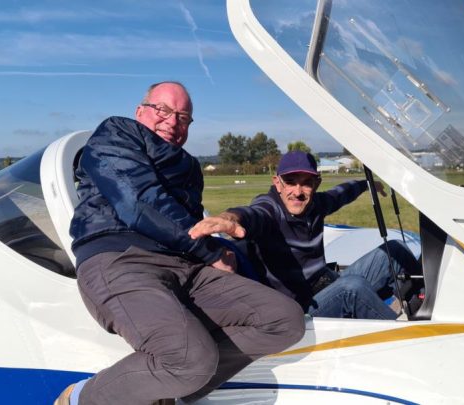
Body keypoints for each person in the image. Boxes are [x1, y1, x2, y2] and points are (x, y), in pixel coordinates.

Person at [55, 82, 305, 405]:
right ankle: (79, 398)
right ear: (140, 111)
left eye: (183, 117)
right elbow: (139, 203)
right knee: (190, 359)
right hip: (119, 258)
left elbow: (189, 225)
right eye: (163, 110)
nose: (172, 122)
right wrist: (210, 250)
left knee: (284, 318)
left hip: (184, 266)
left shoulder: (191, 168)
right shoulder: (116, 133)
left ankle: (173, 384)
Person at [189, 151, 421, 320]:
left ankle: (424, 302)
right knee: (353, 288)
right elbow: (252, 214)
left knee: (395, 250)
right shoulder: (270, 209)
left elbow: (341, 193)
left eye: (306, 183)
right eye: (290, 182)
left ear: (316, 184)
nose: (298, 192)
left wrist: (366, 184)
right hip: (299, 309)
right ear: (277, 183)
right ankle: (407, 344)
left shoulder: (316, 205)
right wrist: (229, 218)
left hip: (324, 285)